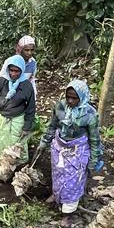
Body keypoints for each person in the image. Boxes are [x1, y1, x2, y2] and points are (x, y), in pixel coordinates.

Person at [36, 80, 103, 215]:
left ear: (82, 97)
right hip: (59, 149)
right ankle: (57, 195)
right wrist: (44, 142)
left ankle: (68, 212)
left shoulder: (90, 115)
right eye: (68, 97)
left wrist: (93, 160)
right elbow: (52, 127)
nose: (70, 101)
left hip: (77, 152)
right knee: (58, 175)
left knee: (73, 182)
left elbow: (95, 140)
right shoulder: (60, 107)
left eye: (74, 98)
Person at [0, 55, 36, 169]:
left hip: (17, 119)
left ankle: (11, 168)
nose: (13, 74)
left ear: (22, 70)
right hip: (1, 117)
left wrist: (27, 127)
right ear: (7, 69)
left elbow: (31, 108)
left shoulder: (27, 86)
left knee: (14, 147)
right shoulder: (1, 81)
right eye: (11, 70)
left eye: (17, 71)